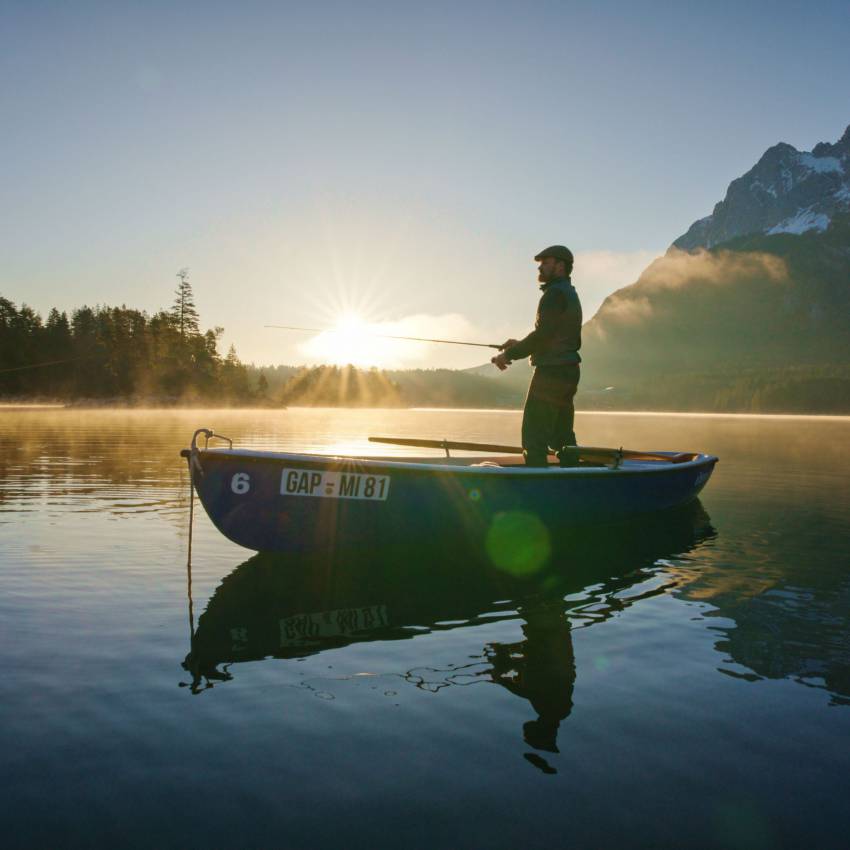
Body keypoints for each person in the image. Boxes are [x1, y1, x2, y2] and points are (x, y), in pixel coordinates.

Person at [491, 245, 582, 467]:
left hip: (552, 372)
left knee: (534, 434)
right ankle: (573, 475)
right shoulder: (569, 293)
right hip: (568, 371)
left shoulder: (554, 294)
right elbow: (552, 336)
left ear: (560, 266)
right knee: (562, 434)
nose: (540, 267)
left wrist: (508, 354)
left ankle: (536, 477)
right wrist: (520, 345)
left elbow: (543, 335)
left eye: (546, 263)